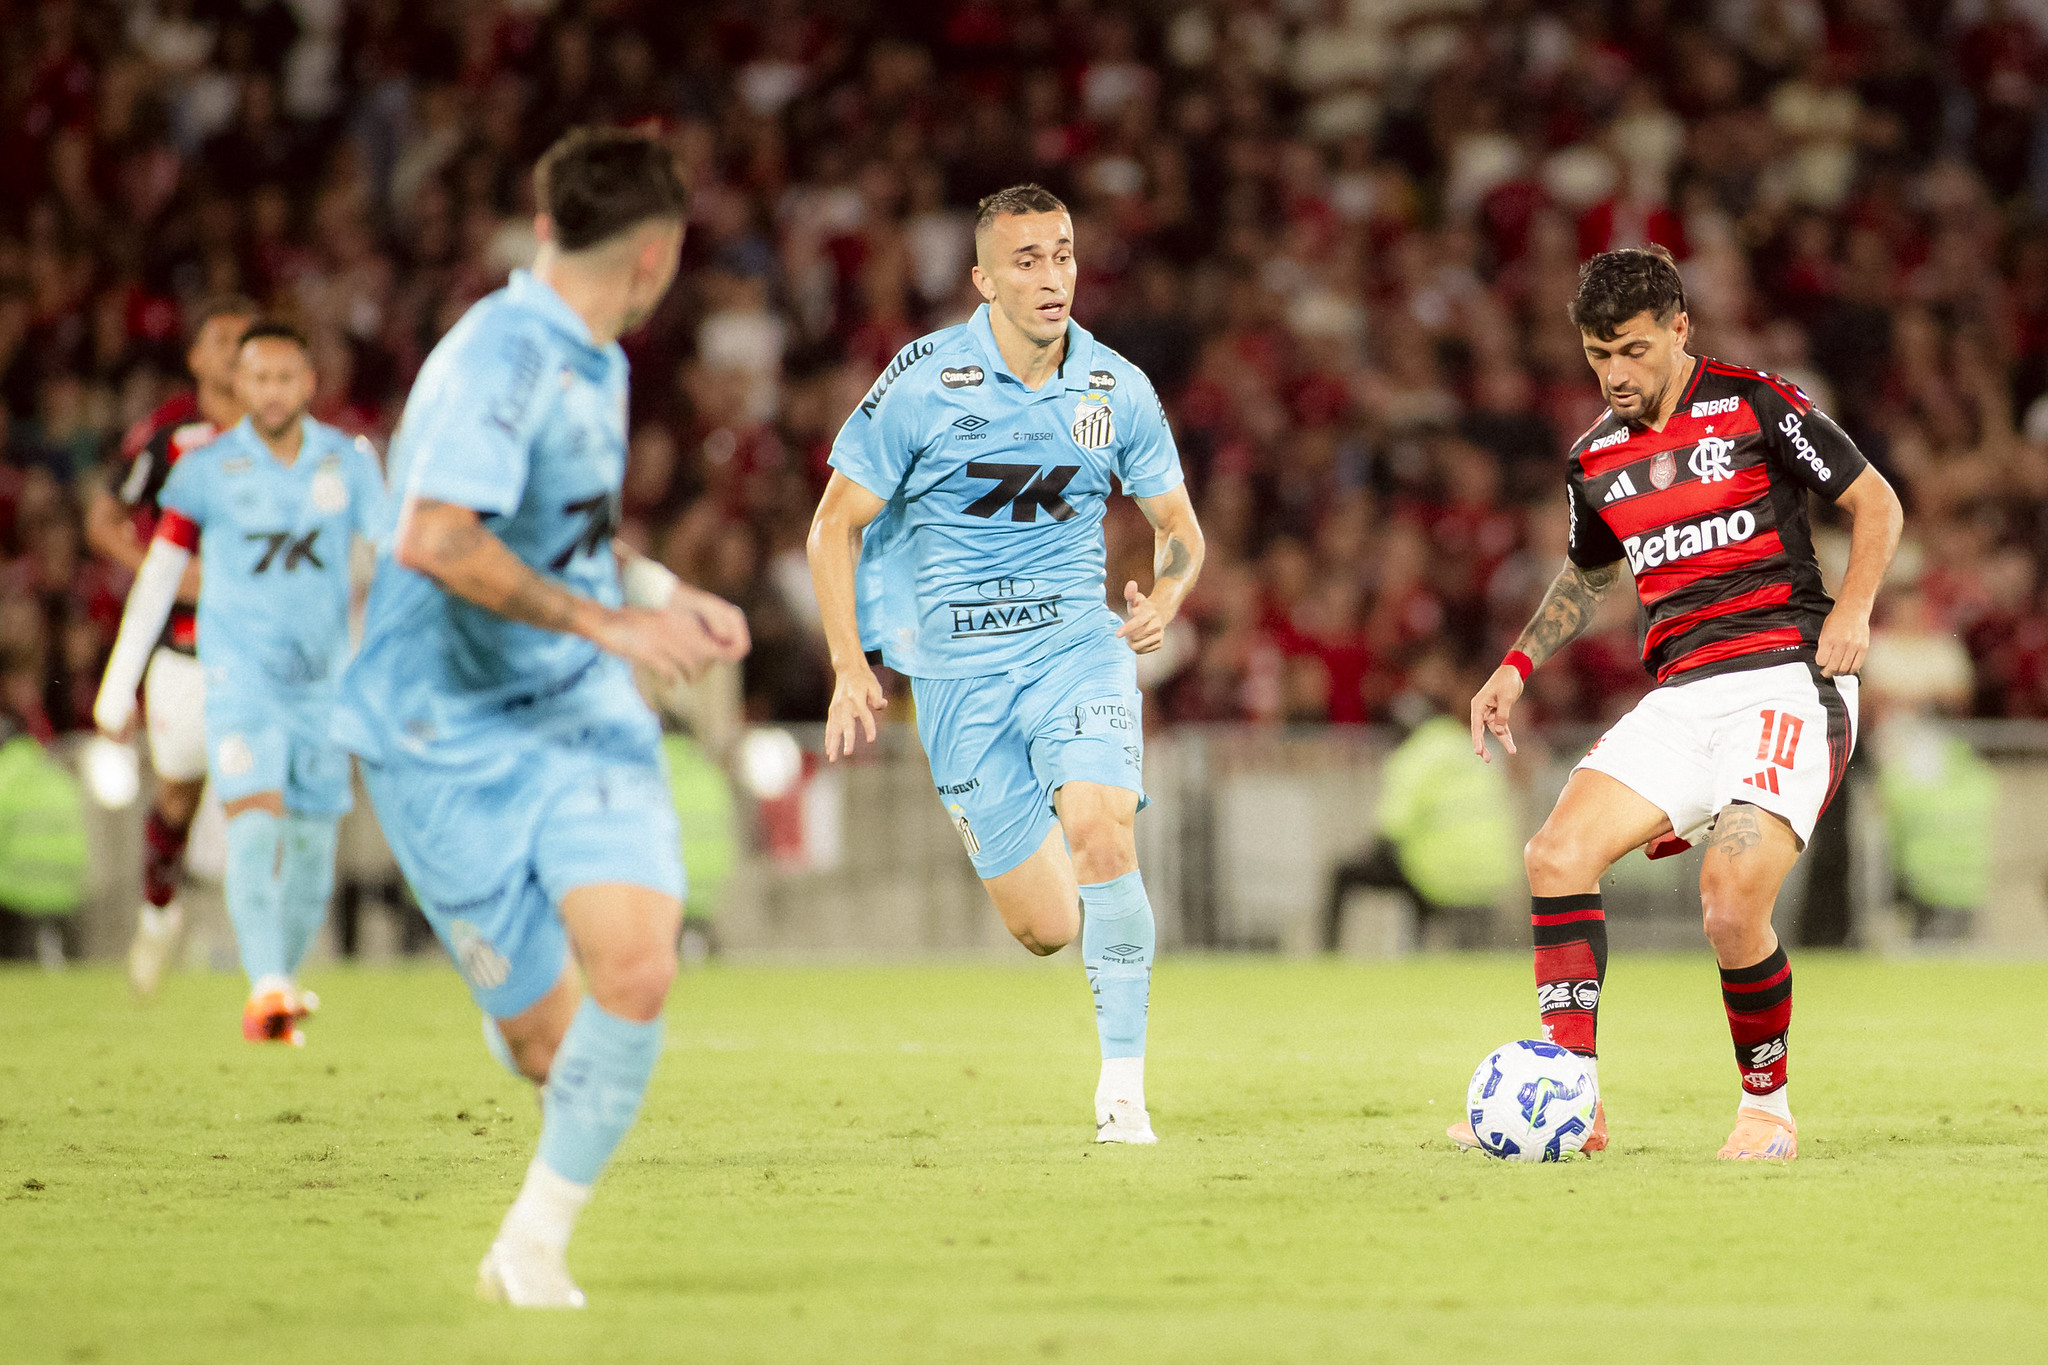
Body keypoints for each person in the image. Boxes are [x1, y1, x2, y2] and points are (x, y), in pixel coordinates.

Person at [331, 127, 749, 1308]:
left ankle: (529, 1246)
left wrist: (659, 591)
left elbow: (553, 534)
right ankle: (520, 1038)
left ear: (552, 225)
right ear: (658, 253)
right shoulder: (498, 362)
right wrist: (611, 627)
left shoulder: (596, 355)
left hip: (568, 709)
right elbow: (438, 538)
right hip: (438, 735)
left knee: (638, 971)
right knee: (549, 1051)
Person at [1459, 247, 1903, 1161]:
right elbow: (1588, 577)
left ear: (1678, 329)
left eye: (1630, 350)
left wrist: (1853, 610)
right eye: (1597, 356)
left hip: (1787, 676)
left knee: (1730, 898)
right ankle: (1573, 1098)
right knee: (1555, 853)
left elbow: (1879, 504)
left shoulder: (1756, 403)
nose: (1614, 374)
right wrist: (1516, 665)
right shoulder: (1595, 459)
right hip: (1681, 696)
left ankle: (1767, 1107)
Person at [807, 183, 1204, 1144]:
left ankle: (1123, 1095)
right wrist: (848, 663)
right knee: (1048, 926)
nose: (1051, 276)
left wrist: (1166, 599)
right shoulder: (922, 381)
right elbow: (832, 527)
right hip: (958, 681)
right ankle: (1087, 918)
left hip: (1078, 650)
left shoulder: (1117, 388)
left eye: (1063, 254)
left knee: (1105, 832)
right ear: (983, 280)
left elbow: (1179, 532)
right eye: (1026, 260)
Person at [94, 321, 389, 1042]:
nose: (273, 391)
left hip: (322, 686)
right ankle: (266, 985)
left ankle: (277, 988)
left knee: (314, 851)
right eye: (259, 378)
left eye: (286, 377)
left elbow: (391, 562)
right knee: (253, 830)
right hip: (238, 680)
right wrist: (117, 680)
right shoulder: (205, 469)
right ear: (240, 383)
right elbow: (160, 573)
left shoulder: (348, 463)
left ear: (309, 382)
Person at [83, 297, 258, 996]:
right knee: (178, 795)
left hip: (259, 650)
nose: (233, 350)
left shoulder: (282, 436)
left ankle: (260, 957)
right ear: (196, 357)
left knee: (261, 797)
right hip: (182, 644)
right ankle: (159, 911)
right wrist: (162, 570)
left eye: (244, 339)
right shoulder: (170, 437)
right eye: (220, 338)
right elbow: (104, 516)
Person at [1323, 651, 1517, 951]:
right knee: (1414, 872)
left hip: (1439, 875)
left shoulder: (1416, 752)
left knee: (1349, 873)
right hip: (1493, 874)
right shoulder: (1471, 744)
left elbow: (1390, 829)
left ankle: (1329, 956)